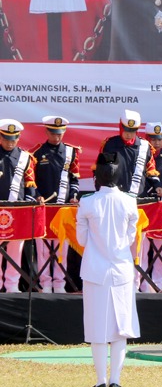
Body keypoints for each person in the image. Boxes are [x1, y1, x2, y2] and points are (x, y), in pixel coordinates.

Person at [77, 153, 140, 387]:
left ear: (98, 176)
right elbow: (130, 237)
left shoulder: (87, 202)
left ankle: (100, 380)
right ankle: (115, 380)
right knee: (120, 326)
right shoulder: (129, 201)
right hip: (121, 268)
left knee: (97, 327)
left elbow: (82, 239)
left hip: (95, 270)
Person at [32, 115, 81, 293]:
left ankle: (59, 283)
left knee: (62, 248)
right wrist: (37, 196)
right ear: (46, 131)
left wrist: (74, 195)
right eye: (53, 133)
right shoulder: (36, 152)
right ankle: (45, 283)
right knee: (43, 249)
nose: (57, 137)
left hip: (63, 208)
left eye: (60, 133)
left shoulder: (71, 152)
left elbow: (74, 179)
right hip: (43, 208)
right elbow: (30, 181)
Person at [138, 122, 162, 292]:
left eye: (159, 139)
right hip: (145, 207)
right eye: (153, 139)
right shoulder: (141, 155)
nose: (157, 142)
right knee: (142, 248)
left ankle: (157, 285)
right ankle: (142, 284)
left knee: (161, 250)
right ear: (147, 138)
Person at [0, 120, 37, 293]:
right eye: (6, 138)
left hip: (18, 211)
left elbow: (30, 184)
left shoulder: (25, 157)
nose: (10, 142)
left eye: (14, 138)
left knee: (16, 250)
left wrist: (31, 201)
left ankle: (12, 285)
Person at [95, 110, 160, 198]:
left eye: (132, 131)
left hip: (137, 198)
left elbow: (151, 170)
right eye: (126, 130)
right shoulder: (109, 145)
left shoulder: (145, 146)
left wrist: (158, 186)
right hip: (113, 197)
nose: (129, 134)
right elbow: (99, 171)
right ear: (120, 127)